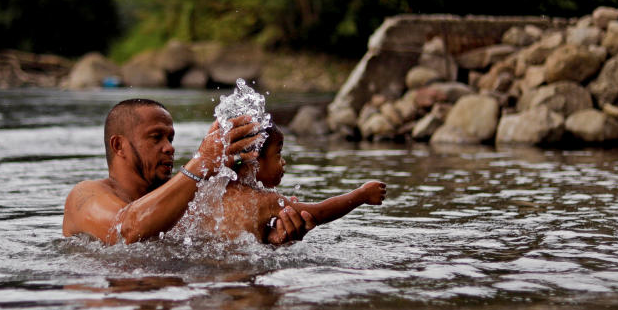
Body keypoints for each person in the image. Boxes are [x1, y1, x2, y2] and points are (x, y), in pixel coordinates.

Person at [62, 99, 316, 245]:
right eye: (156, 137)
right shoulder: (84, 195)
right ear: (119, 146)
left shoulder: (179, 199)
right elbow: (125, 230)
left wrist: (269, 242)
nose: (169, 148)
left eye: (171, 138)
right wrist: (201, 162)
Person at [207, 123, 386, 243]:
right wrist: (361, 195)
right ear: (253, 161)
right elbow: (319, 212)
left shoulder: (206, 192)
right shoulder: (264, 200)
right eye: (278, 153)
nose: (283, 161)